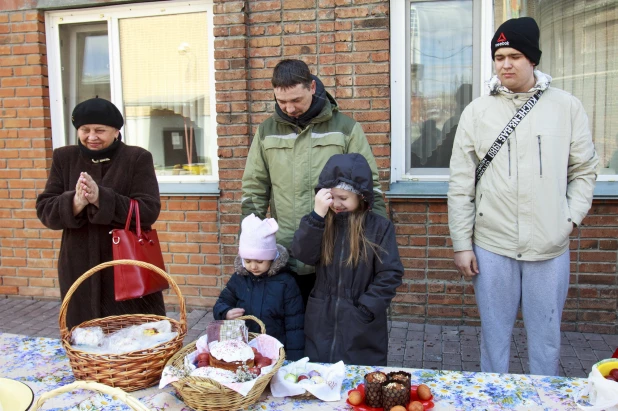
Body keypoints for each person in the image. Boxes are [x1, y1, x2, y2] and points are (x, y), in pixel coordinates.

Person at [448, 17, 598, 376]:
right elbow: (460, 183)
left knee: (546, 338)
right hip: (491, 244)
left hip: (549, 245)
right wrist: (461, 243)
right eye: (499, 57)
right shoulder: (476, 112)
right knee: (494, 337)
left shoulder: (567, 107)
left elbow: (584, 171)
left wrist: (568, 219)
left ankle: (543, 398)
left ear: (533, 59)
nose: (506, 64)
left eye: (515, 55)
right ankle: (492, 397)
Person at [241, 59, 387, 308]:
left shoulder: (346, 128)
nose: (289, 108)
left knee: (330, 321)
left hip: (335, 246)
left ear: (311, 87)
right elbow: (254, 187)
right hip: (285, 248)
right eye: (281, 101)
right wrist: (249, 236)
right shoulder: (266, 131)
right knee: (287, 323)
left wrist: (376, 241)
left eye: (296, 100)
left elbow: (369, 188)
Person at [36, 97, 165, 329]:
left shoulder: (137, 158)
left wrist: (101, 198)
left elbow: (148, 210)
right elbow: (46, 210)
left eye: (100, 130)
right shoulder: (64, 158)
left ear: (116, 131)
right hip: (78, 267)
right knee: (84, 339)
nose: (91, 136)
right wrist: (75, 202)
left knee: (132, 340)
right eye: (84, 130)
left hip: (126, 265)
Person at [291, 153, 403, 366]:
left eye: (344, 198)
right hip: (321, 316)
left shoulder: (379, 228)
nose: (337, 203)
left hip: (360, 321)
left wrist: (367, 308)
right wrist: (316, 217)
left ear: (361, 196)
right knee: (320, 376)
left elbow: (390, 273)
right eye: (332, 197)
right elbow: (303, 254)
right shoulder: (321, 222)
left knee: (359, 381)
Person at [213, 214, 304, 360]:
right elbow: (221, 303)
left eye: (260, 261)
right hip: (244, 349)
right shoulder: (239, 279)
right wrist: (226, 312)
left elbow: (295, 325)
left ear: (271, 257)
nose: (253, 266)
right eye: (247, 260)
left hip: (275, 349)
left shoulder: (285, 282)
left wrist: (293, 359)